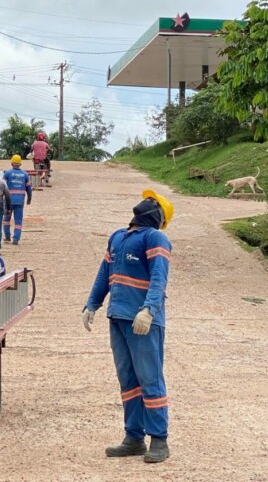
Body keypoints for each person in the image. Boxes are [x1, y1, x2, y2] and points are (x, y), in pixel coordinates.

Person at [81, 189, 174, 464]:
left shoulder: (155, 237)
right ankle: (134, 437)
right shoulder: (118, 237)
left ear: (157, 215)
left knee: (150, 379)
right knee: (129, 381)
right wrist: (92, 303)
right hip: (119, 318)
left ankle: (159, 440)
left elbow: (159, 277)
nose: (146, 202)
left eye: (153, 202)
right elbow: (104, 273)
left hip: (143, 321)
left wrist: (149, 309)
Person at [2, 154, 32, 245]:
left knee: (6, 219)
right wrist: (29, 198)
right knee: (18, 220)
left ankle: (7, 237)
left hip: (8, 201)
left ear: (11, 163)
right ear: (20, 164)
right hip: (20, 200)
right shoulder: (25, 174)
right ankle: (16, 239)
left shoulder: (7, 173)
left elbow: (2, 187)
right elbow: (29, 188)